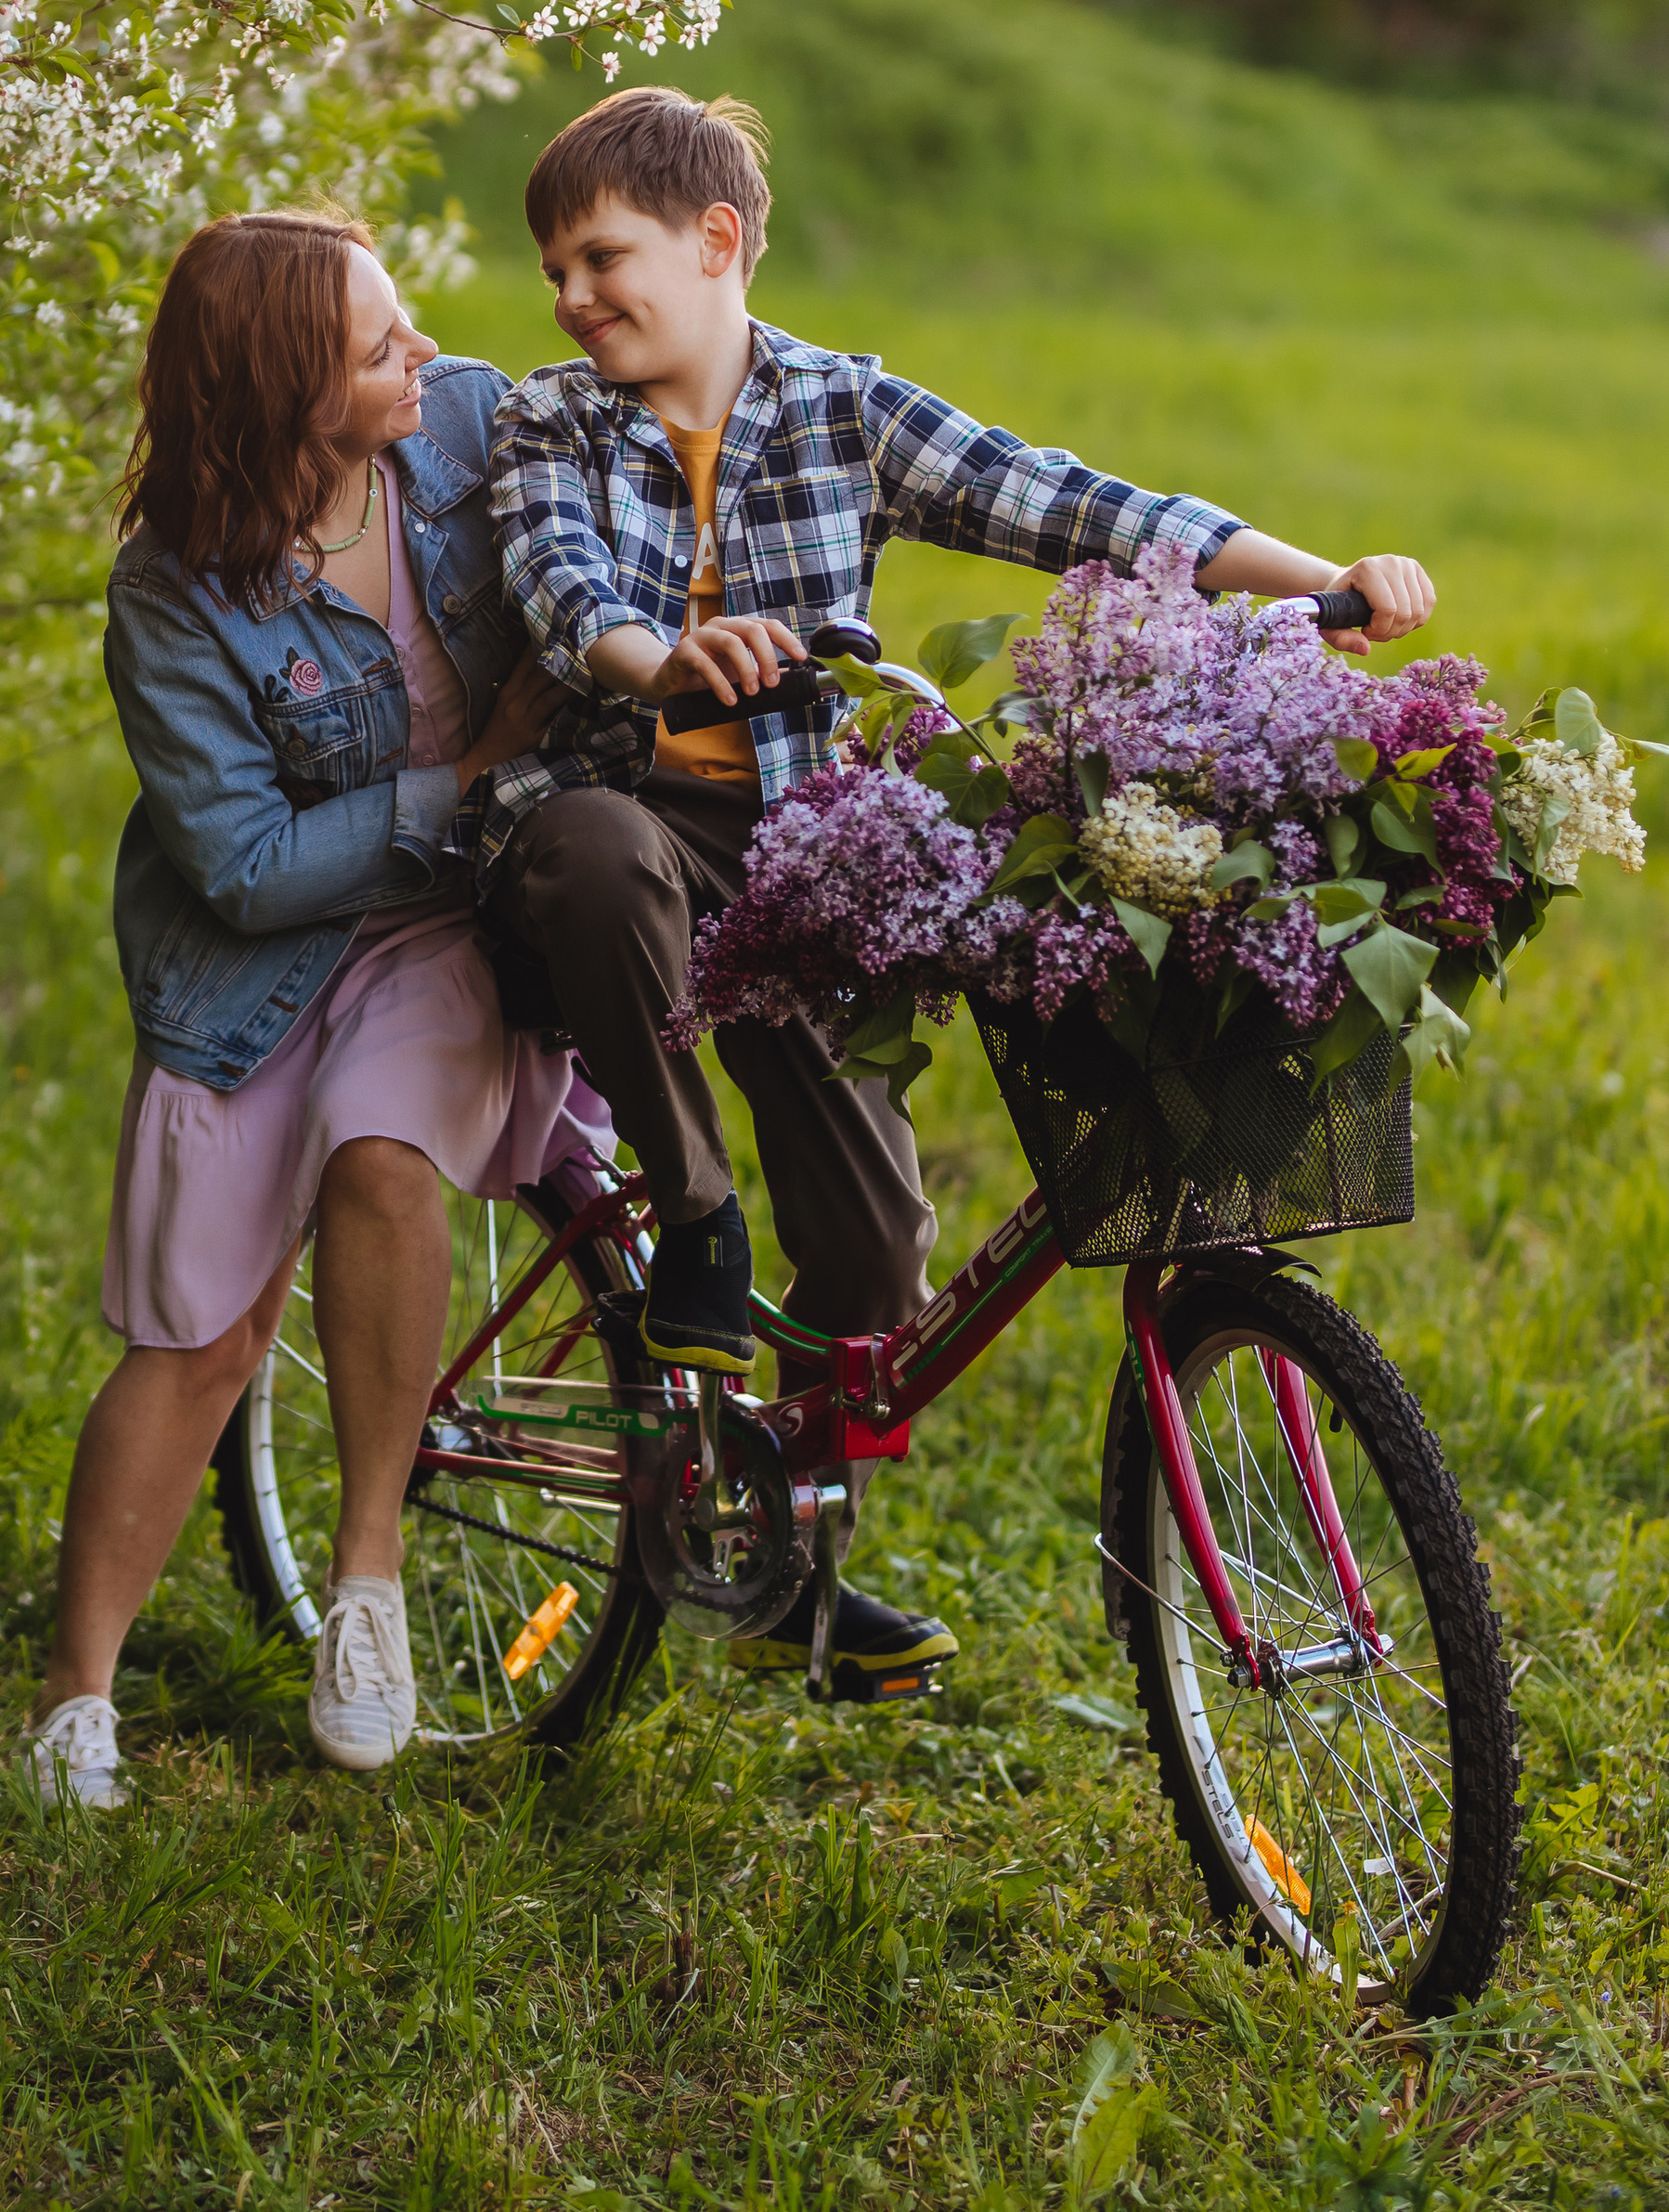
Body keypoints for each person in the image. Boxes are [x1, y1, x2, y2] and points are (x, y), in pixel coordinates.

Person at [485, 86, 1435, 1699]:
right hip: (611, 822)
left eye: (602, 258)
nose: (575, 299)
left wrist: (1325, 580)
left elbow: (1076, 505)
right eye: (559, 272)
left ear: (716, 243)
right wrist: (666, 664)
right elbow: (559, 581)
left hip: (800, 859)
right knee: (594, 843)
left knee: (874, 1278)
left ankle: (776, 1549)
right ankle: (695, 1222)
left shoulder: (843, 410)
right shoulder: (546, 422)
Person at [27, 211, 607, 1811]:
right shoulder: (172, 599)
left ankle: (366, 1583)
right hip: (251, 967)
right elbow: (243, 862)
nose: (419, 351)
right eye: (374, 345)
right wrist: (468, 777)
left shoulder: (473, 430)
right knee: (201, 1338)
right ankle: (76, 1704)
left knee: (380, 1156)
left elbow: (676, 427)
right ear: (285, 398)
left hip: (449, 931)